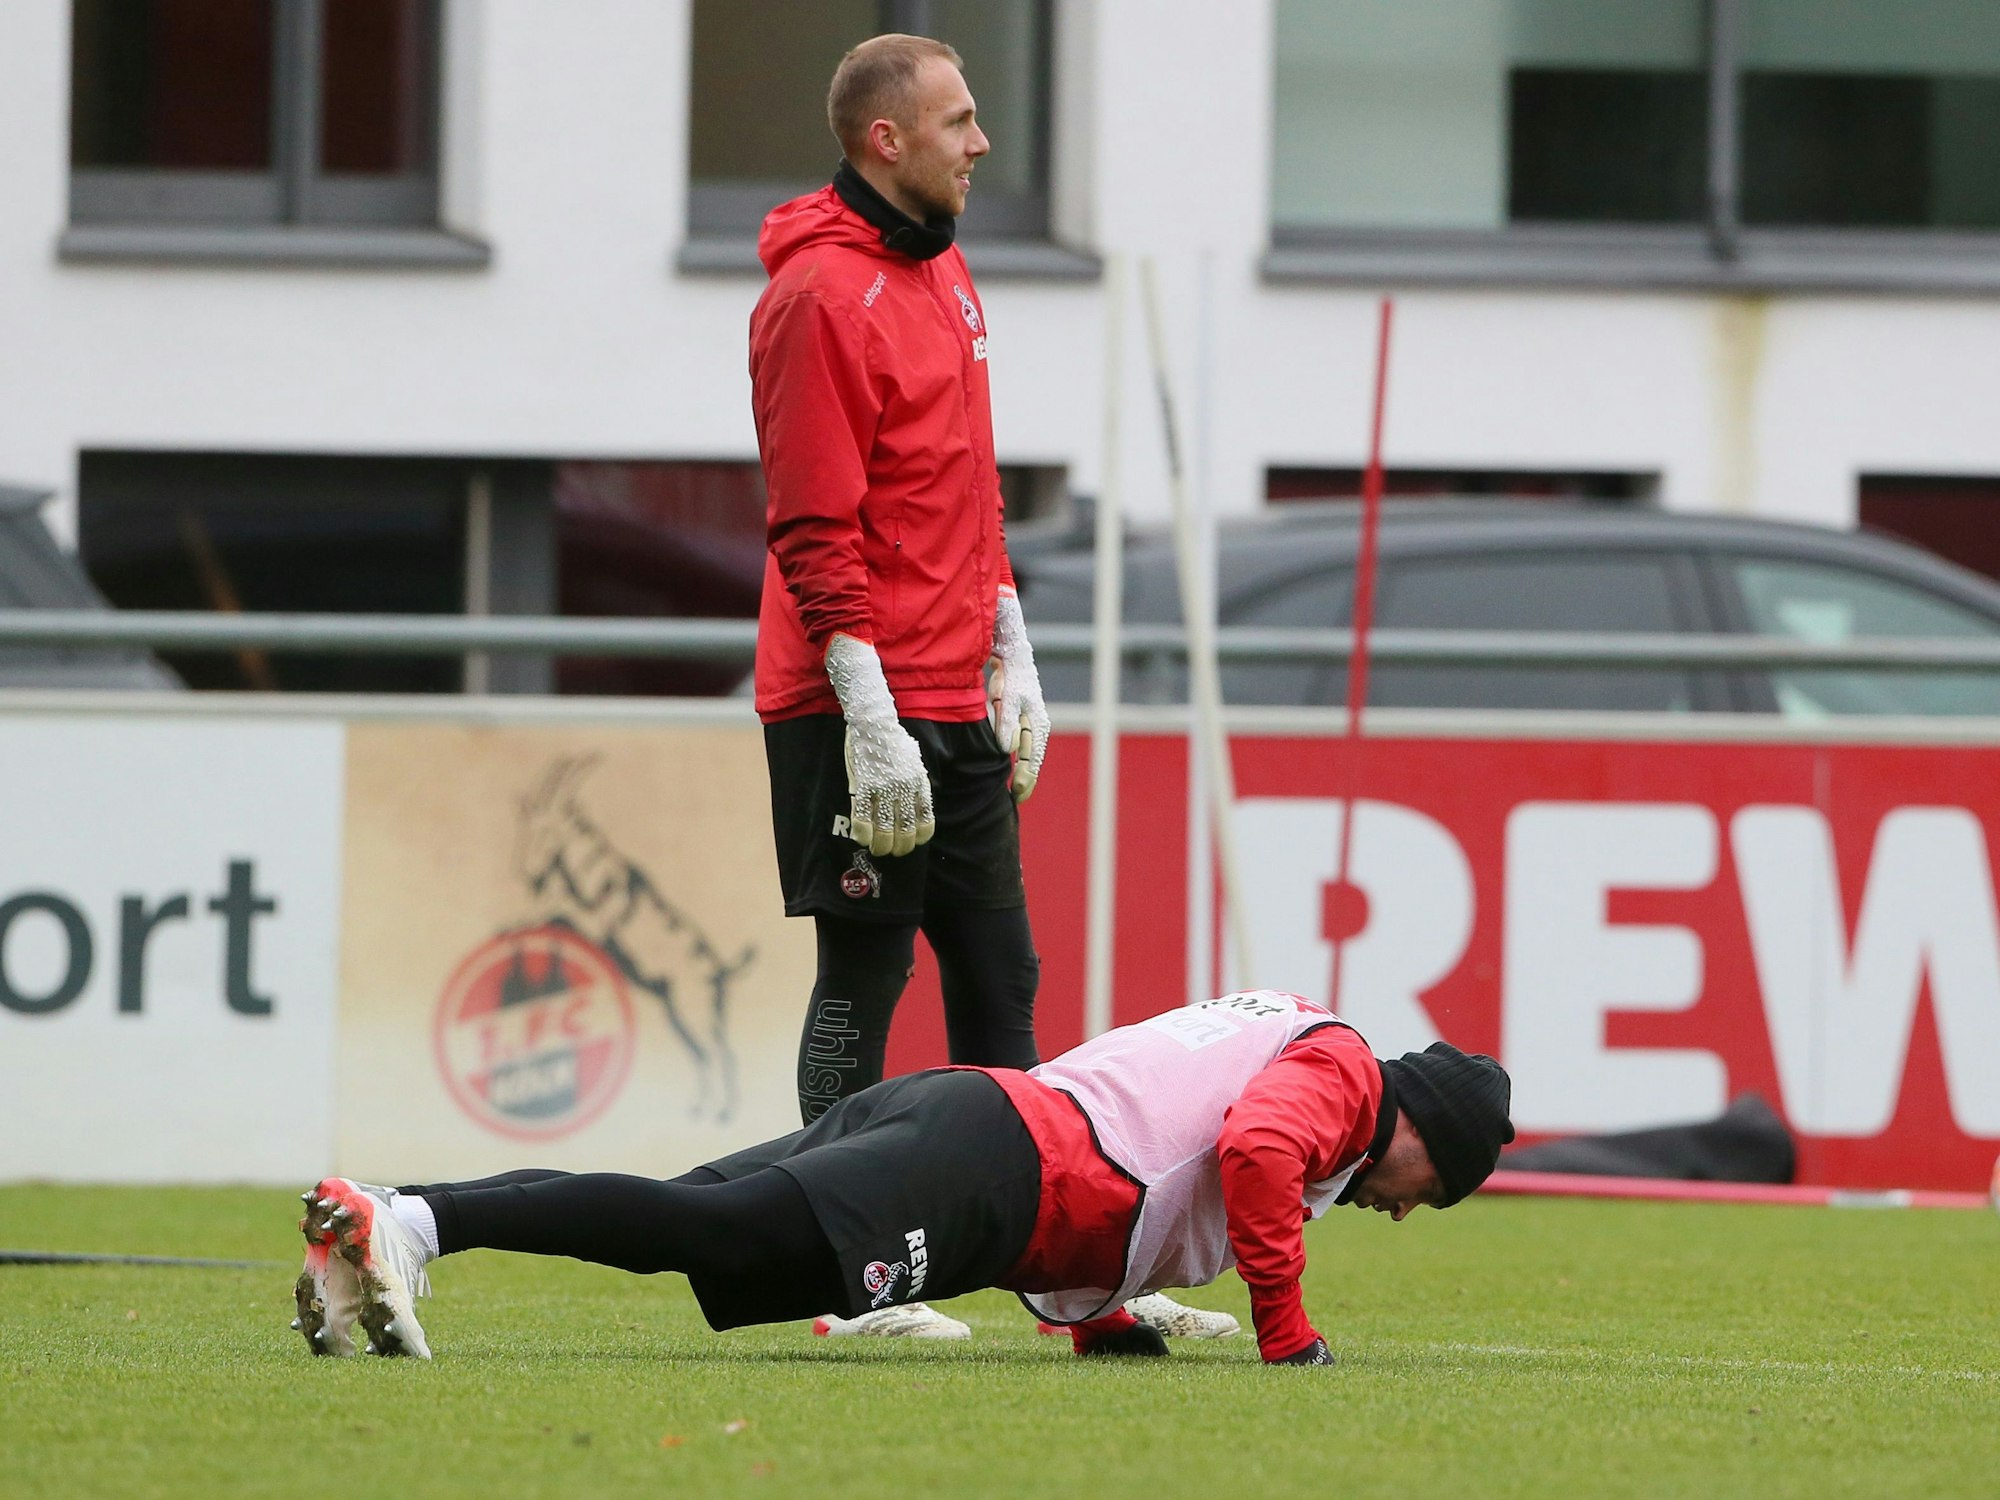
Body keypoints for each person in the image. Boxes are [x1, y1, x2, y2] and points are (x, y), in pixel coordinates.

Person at [289, 991, 1515, 1366]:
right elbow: (1248, 1152)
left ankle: (390, 1222)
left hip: (975, 1119)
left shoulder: (1295, 1024)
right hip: (988, 1165)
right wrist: (1286, 1336)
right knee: (701, 1229)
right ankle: (408, 1221)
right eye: (1430, 1186)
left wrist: (1101, 1321)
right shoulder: (1348, 1081)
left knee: (686, 1212)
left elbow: (1156, 1144)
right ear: (1424, 1129)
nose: (1403, 1208)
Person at [746, 33, 1062, 1337]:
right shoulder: (816, 297)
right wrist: (865, 710)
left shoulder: (946, 271)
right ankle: (846, 1275)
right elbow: (811, 524)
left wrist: (1008, 637)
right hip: (852, 699)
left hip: (950, 683)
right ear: (889, 140)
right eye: (958, 120)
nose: (981, 142)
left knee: (1001, 975)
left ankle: (1050, 1261)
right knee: (863, 976)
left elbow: (964, 483)